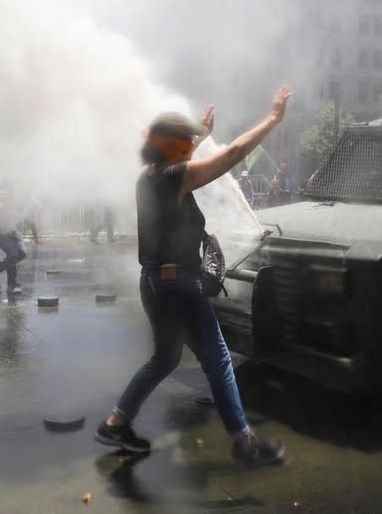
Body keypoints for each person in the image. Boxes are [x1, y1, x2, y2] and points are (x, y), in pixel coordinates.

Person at [95, 85, 292, 467]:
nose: (191, 146)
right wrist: (272, 119)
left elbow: (180, 156)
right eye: (186, 142)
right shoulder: (175, 177)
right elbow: (232, 155)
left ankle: (115, 423)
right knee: (217, 359)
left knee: (165, 359)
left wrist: (198, 132)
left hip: (153, 282)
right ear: (173, 147)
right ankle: (245, 443)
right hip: (178, 285)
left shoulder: (147, 176)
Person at [0, 191, 27, 294]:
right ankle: (12, 285)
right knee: (13, 254)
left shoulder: (14, 197)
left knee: (22, 253)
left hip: (11, 228)